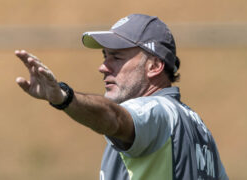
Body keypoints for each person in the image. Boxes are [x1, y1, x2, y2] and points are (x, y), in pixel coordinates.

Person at [15, 14, 228, 180]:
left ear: (154, 66)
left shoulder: (155, 110)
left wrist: (64, 98)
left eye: (116, 57)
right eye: (104, 57)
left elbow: (115, 119)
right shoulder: (201, 131)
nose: (103, 67)